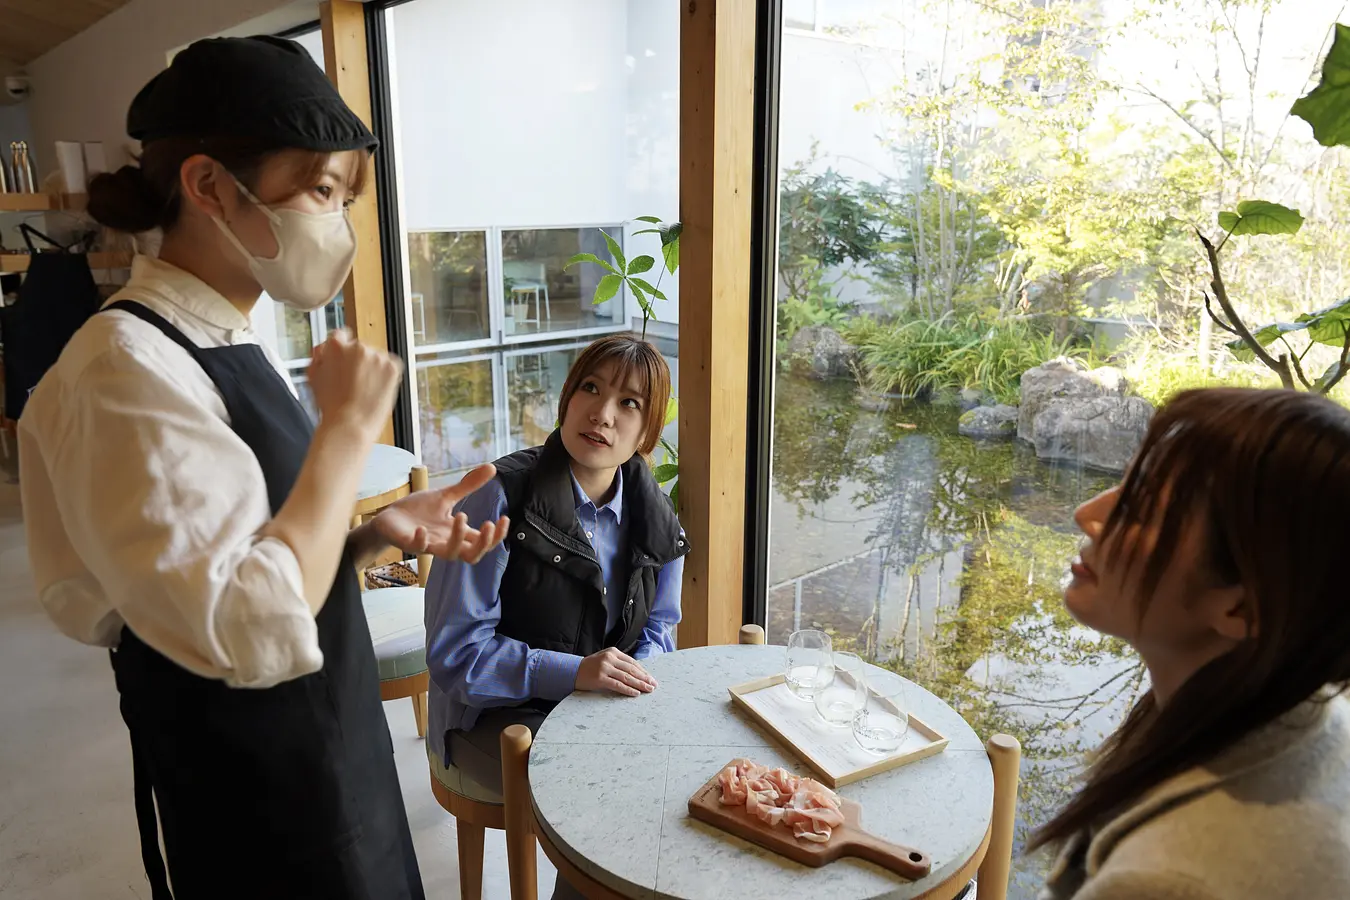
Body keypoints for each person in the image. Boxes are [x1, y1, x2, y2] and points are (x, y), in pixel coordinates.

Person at [18, 37, 507, 899]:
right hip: (254, 797)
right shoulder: (123, 373)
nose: (338, 224)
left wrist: (368, 536)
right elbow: (242, 628)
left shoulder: (226, 338)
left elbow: (255, 554)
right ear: (209, 186)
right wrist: (344, 439)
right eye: (322, 190)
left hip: (333, 750)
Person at [1032, 387, 1350, 900]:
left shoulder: (1168, 880)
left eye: (1139, 509)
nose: (1087, 512)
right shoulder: (1306, 705)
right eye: (1123, 483)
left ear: (1242, 608)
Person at [424, 335, 687, 893]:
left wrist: (636, 666)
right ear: (567, 401)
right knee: (620, 802)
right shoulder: (496, 499)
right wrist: (575, 671)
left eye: (629, 403)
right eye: (590, 389)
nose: (602, 414)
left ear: (647, 433)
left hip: (599, 713)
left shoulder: (654, 512)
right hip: (491, 720)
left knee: (685, 782)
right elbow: (456, 658)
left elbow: (662, 624)